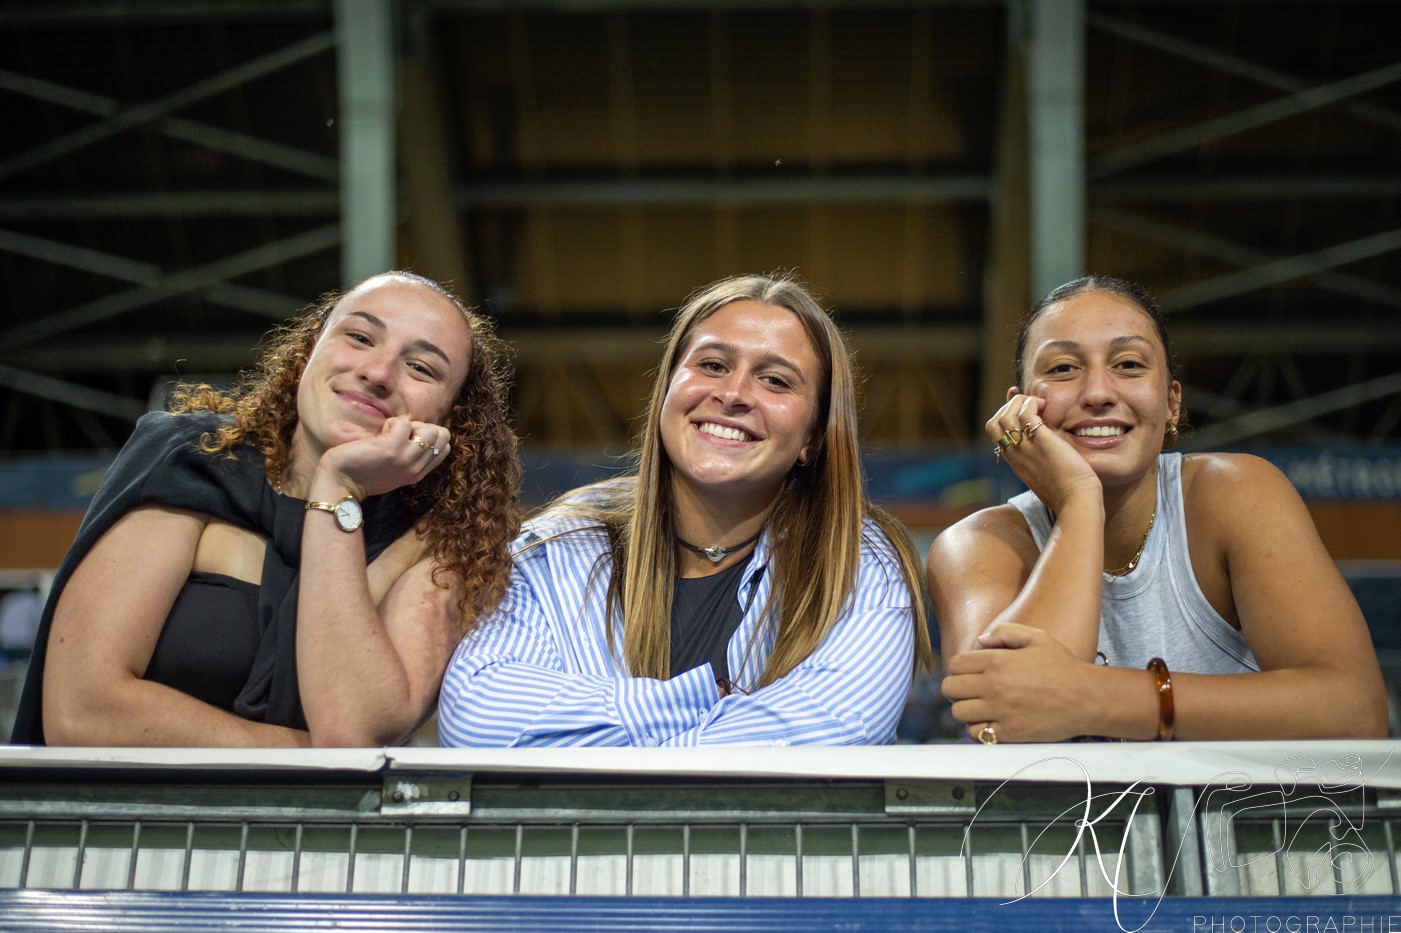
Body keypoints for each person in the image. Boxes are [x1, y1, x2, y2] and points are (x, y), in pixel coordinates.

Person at [12, 271, 521, 747]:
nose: (378, 372)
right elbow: (81, 712)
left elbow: (352, 728)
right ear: (308, 353)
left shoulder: (442, 543)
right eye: (360, 338)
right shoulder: (193, 458)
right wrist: (296, 757)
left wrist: (338, 489)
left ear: (451, 421)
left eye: (420, 368)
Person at [437, 273, 932, 747]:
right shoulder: (557, 548)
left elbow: (836, 727)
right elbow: (478, 718)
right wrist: (691, 700)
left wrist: (600, 745)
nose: (734, 394)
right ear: (667, 391)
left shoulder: (857, 560)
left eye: (776, 381)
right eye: (713, 365)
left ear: (813, 438)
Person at [928, 275, 1387, 743]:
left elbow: (1355, 710)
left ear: (1172, 403)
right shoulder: (976, 545)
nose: (1098, 392)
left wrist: (1096, 698)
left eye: (1128, 364)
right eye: (1063, 369)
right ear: (1020, 409)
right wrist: (1080, 501)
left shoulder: (1237, 493)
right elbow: (997, 720)